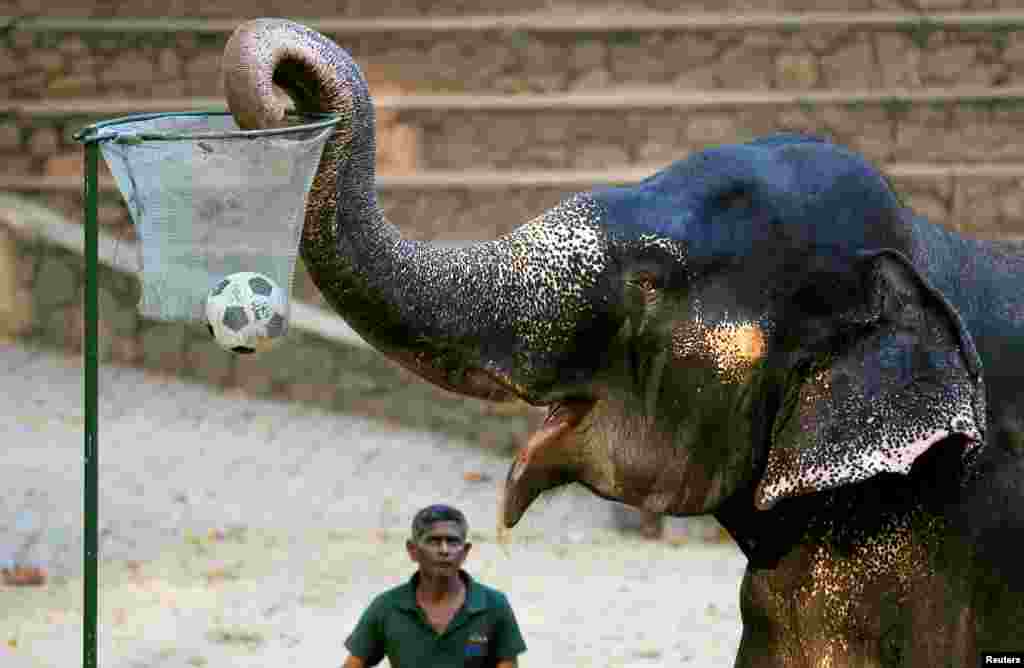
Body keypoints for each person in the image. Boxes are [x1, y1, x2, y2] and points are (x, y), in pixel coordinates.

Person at [341, 504, 527, 667]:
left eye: (453, 541)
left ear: (465, 551)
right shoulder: (386, 608)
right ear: (413, 550)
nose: (444, 550)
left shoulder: (493, 605)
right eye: (434, 541)